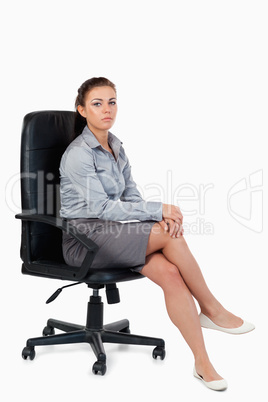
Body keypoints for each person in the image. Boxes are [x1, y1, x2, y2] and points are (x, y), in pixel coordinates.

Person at [60, 77, 255, 391]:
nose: (107, 109)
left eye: (112, 101)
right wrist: (157, 212)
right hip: (85, 240)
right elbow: (104, 208)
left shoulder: (116, 145)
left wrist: (151, 214)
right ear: (82, 110)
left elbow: (131, 196)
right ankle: (212, 309)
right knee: (168, 233)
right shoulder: (79, 154)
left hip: (115, 234)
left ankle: (203, 363)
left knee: (171, 273)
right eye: (97, 103)